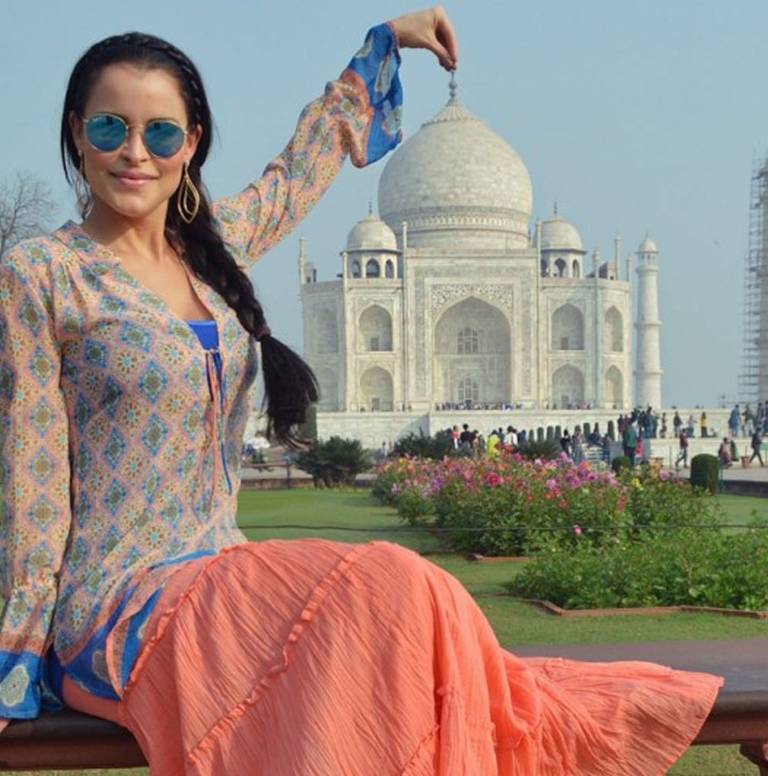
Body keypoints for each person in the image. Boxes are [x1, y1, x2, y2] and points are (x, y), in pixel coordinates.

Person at [0, 9, 722, 775]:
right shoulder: (41, 275)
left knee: (410, 606)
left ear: (192, 142)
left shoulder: (213, 250)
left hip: (218, 578)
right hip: (119, 608)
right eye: (110, 128)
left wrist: (383, 47)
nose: (135, 152)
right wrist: (14, 663)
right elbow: (31, 486)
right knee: (387, 589)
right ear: (77, 133)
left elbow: (297, 171)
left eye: (161, 133)